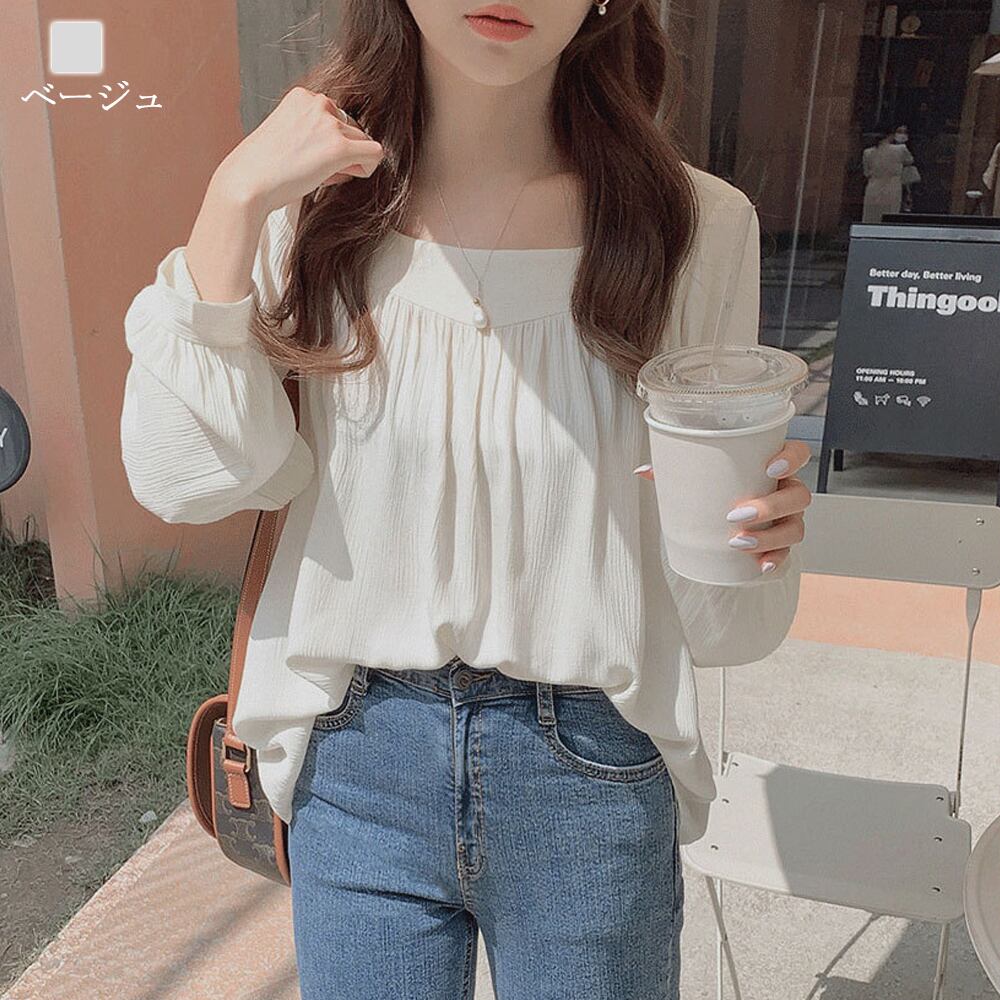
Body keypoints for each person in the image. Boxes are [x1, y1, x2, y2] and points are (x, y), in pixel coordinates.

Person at [119, 1, 812, 996]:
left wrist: (752, 539)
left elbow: (720, 617)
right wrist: (231, 202)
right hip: (356, 765)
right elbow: (191, 476)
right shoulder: (301, 206)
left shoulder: (694, 226)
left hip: (591, 772)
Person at [862, 128, 915, 222]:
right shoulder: (901, 149)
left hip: (873, 187)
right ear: (890, 136)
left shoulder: (867, 152)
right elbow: (910, 160)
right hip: (892, 187)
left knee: (871, 216)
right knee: (890, 216)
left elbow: (866, 173)